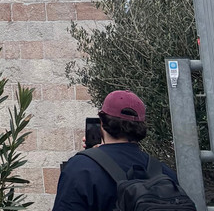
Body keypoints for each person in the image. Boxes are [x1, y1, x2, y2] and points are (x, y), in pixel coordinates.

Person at [52, 90, 182, 210]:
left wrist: (92, 157)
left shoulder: (81, 168)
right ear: (141, 126)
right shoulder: (163, 172)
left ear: (101, 122)